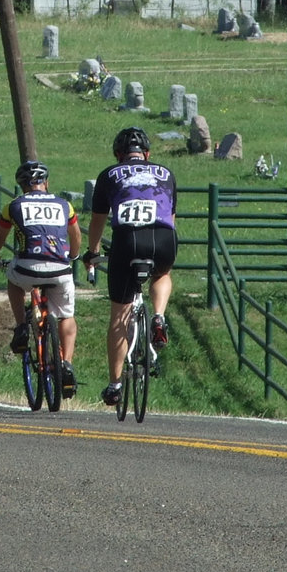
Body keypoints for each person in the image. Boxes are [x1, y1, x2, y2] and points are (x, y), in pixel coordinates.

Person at [83, 127, 178, 407]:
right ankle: (158, 316)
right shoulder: (166, 173)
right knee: (162, 273)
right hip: (163, 239)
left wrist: (93, 252)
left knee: (119, 315)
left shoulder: (109, 175)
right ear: (147, 155)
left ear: (118, 155)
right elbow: (171, 218)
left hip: (127, 242)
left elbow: (97, 221)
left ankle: (114, 385)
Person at [0, 160, 81, 396]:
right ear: (46, 183)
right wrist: (74, 255)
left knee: (13, 281)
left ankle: (20, 327)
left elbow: (0, 237)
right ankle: (66, 363)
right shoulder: (65, 205)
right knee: (66, 316)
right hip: (60, 269)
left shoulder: (12, 206)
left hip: (27, 267)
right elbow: (75, 235)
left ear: (21, 185)